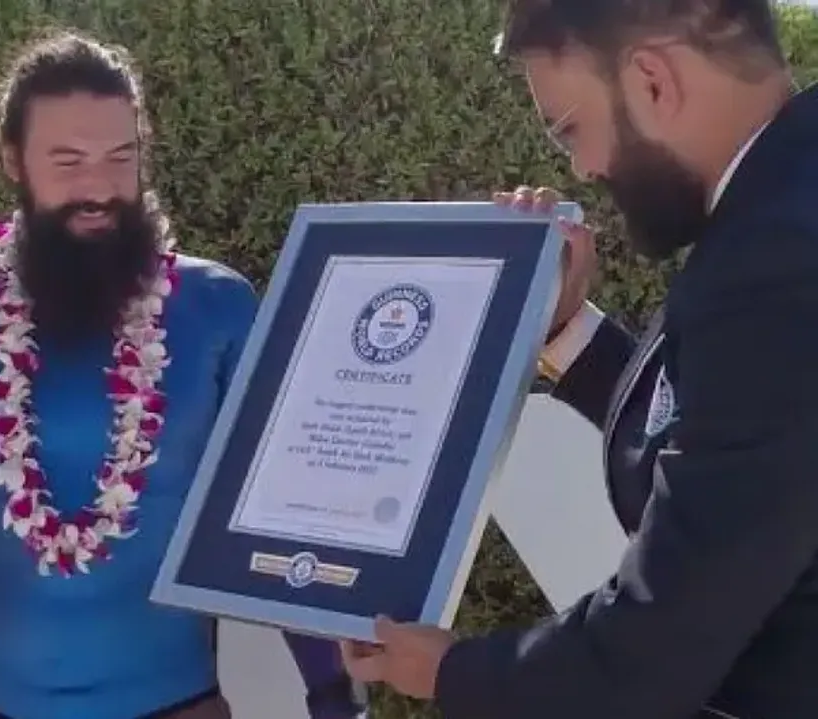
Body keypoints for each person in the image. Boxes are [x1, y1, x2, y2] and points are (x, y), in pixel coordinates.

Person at [340, 1, 818, 717]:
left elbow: (658, 648)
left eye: (572, 130)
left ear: (652, 79)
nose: (585, 167)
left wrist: (451, 669)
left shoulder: (772, 264)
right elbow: (741, 443)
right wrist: (567, 329)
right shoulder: (783, 206)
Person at [0, 32, 363, 719]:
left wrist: (335, 696)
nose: (99, 187)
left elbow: (276, 521)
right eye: (67, 160)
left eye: (120, 157)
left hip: (177, 705)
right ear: (12, 159)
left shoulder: (217, 308)